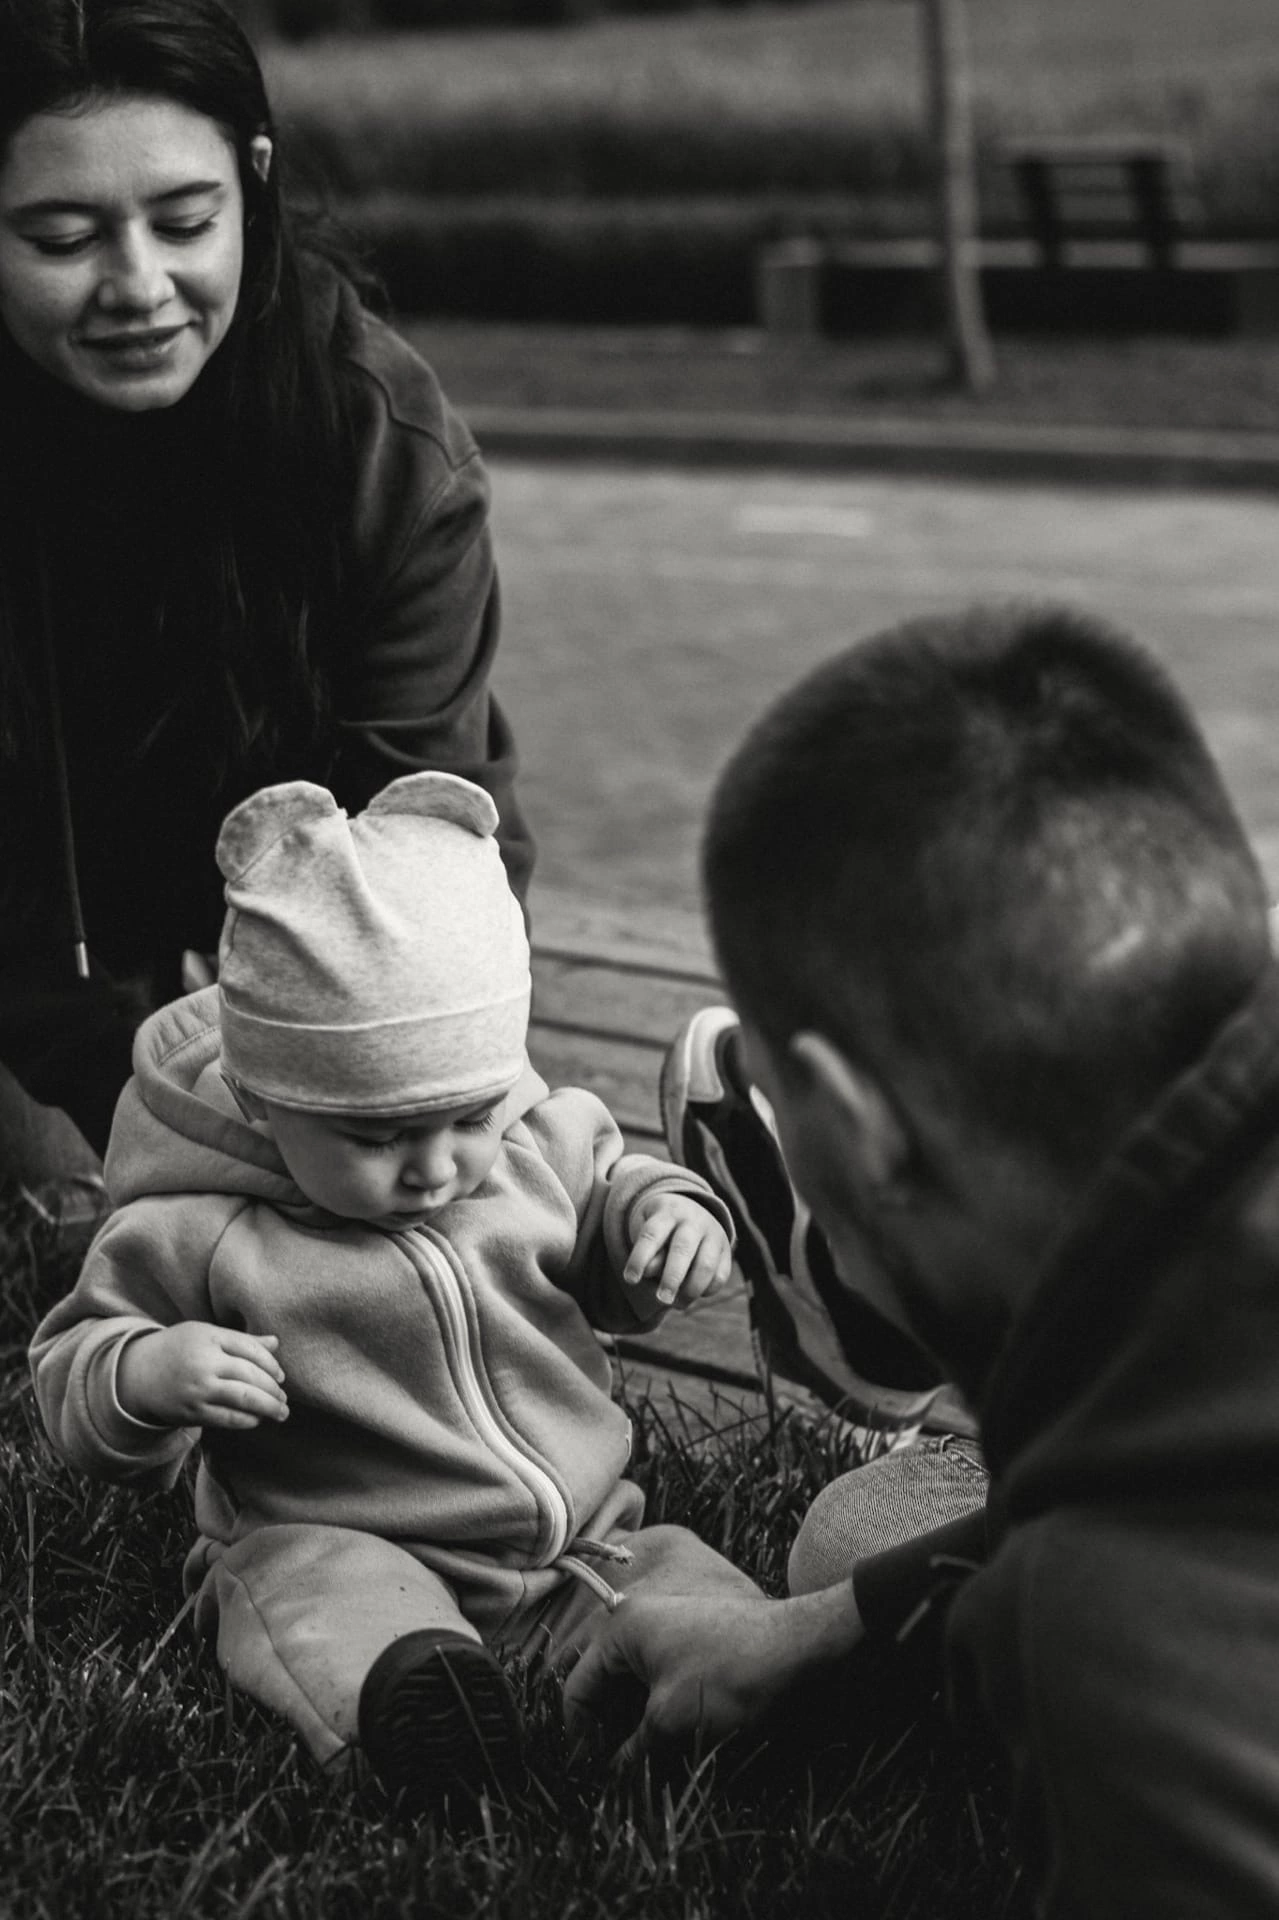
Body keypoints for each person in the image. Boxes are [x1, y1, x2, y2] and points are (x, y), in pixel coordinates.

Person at [564, 603, 1279, 1916]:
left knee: (851, 1533)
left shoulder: (1120, 1641)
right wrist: (798, 1651)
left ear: (845, 1121)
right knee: (854, 1547)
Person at [29, 769, 762, 1809]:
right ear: (264, 1097)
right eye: (375, 1137)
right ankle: (419, 1722)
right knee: (316, 1609)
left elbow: (604, 1214)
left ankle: (743, 1689)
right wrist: (147, 1373)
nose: (434, 1168)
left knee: (682, 1584)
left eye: (466, 1117)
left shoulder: (527, 1146)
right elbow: (73, 1367)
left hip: (585, 1542)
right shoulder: (203, 1226)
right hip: (341, 1541)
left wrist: (666, 1215)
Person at [0, 0, 531, 1220]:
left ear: (254, 184)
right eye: (61, 238)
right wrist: (155, 1114)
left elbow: (430, 849)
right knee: (77, 1199)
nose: (138, 287)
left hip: (305, 942)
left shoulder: (381, 450)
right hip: (42, 941)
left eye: (185, 223)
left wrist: (352, 1091)